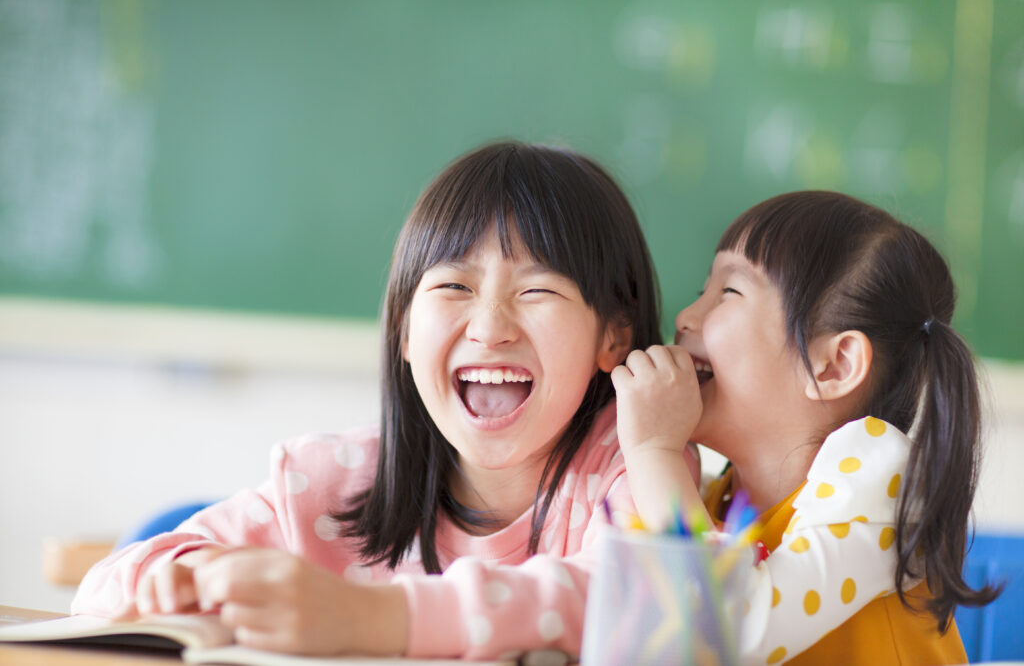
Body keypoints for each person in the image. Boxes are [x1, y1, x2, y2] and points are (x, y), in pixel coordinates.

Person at [71, 141, 673, 660]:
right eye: (454, 286)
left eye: (537, 289)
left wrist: (370, 617)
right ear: (406, 332)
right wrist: (187, 582)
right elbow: (104, 590)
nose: (490, 327)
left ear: (613, 337)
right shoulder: (328, 482)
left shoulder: (637, 469)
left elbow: (649, 603)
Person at [612, 191, 1000, 664]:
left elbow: (732, 632)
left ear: (834, 366)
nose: (685, 317)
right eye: (701, 291)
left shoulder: (878, 476)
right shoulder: (720, 498)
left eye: (728, 293)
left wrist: (654, 452)